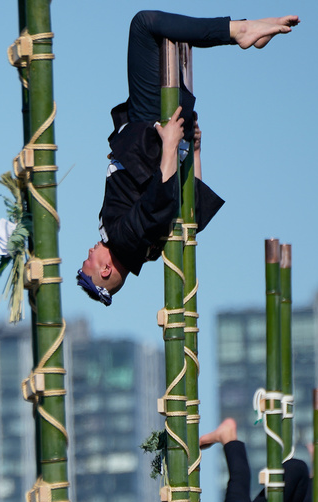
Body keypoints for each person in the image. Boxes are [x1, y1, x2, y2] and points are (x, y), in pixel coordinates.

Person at [77, 11, 300, 305]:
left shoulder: (149, 250)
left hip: (151, 132)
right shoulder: (123, 240)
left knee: (164, 41)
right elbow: (156, 203)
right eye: (89, 262)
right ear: (106, 270)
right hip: (153, 133)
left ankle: (242, 32)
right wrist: (171, 145)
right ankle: (240, 31)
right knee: (144, 25)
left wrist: (194, 151)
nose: (89, 253)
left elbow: (191, 210)